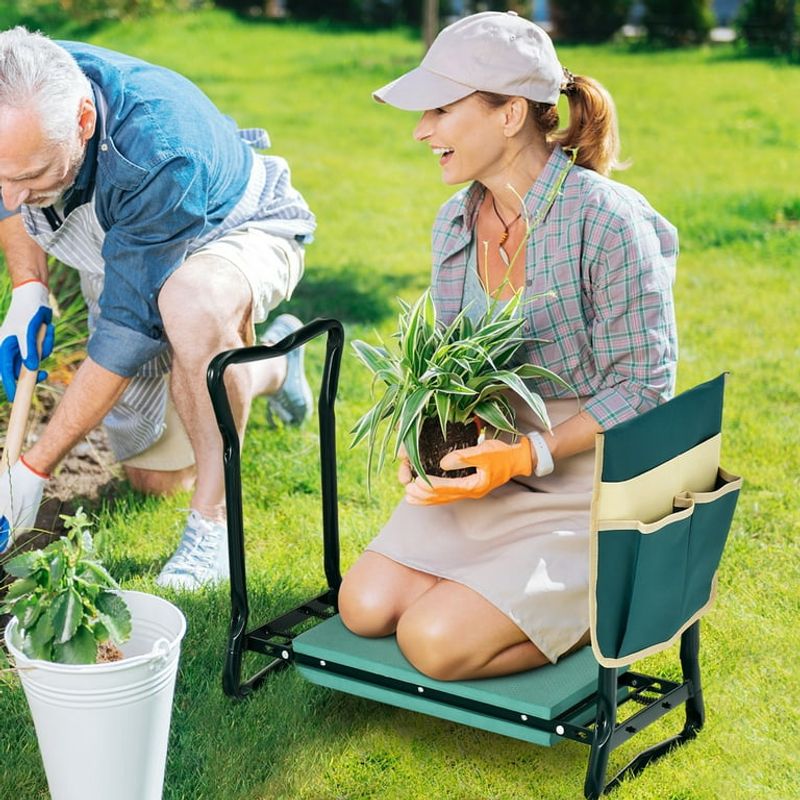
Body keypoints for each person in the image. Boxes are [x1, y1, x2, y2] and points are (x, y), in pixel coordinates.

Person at [338, 11, 678, 681]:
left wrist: (530, 452)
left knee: (432, 643)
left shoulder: (604, 221)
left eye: (440, 108)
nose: (420, 130)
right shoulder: (455, 222)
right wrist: (427, 436)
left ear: (510, 114)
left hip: (586, 480)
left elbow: (645, 387)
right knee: (365, 607)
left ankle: (602, 605)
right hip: (490, 471)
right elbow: (453, 370)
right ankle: (494, 597)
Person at [0, 28, 316, 589]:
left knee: (190, 304)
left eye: (30, 177)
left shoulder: (158, 152)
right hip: (125, 238)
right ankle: (272, 365)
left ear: (82, 122)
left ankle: (213, 523)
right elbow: (8, 185)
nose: (12, 197)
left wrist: (33, 468)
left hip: (235, 226)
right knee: (152, 479)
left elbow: (124, 334)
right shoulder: (17, 88)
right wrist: (29, 286)